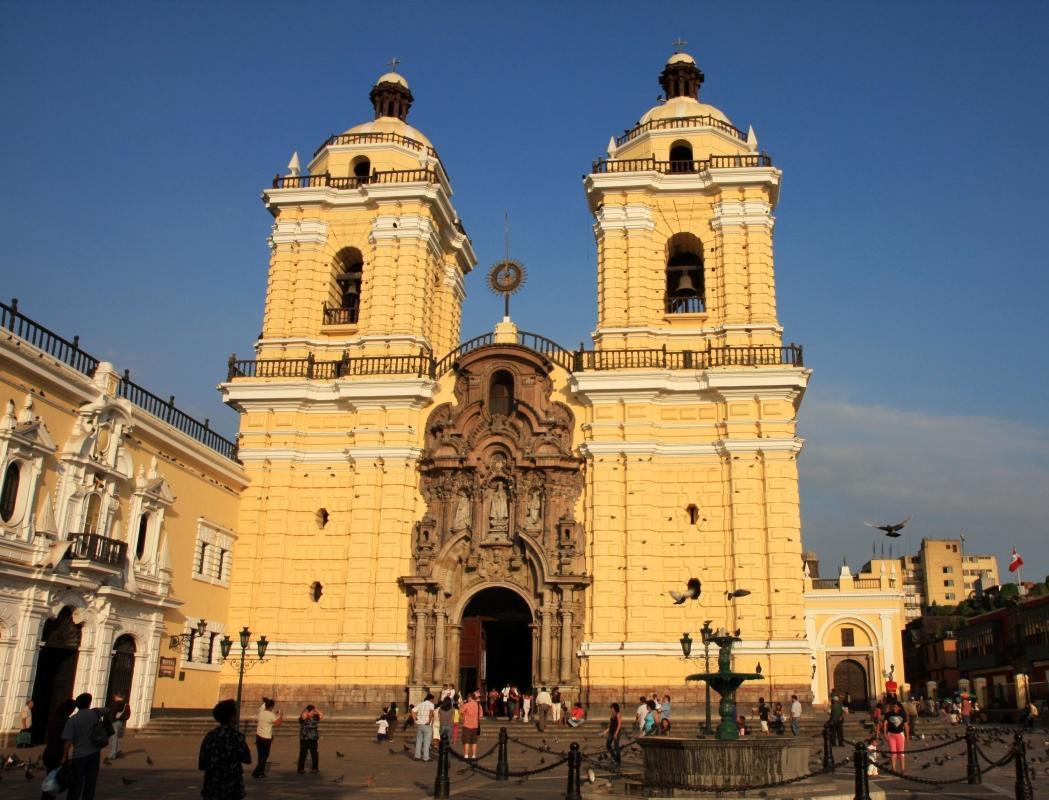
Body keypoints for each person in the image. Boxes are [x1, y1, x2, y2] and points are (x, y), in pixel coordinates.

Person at [199, 699, 251, 800]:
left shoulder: (210, 736)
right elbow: (247, 759)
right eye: (236, 713)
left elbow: (202, 764)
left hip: (212, 789)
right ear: (231, 717)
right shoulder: (237, 736)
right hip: (231, 790)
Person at [62, 693, 109, 800]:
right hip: (94, 753)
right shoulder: (94, 714)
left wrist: (64, 756)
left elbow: (68, 740)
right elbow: (107, 709)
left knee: (76, 782)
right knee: (90, 782)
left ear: (77, 705)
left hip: (79, 754)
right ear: (89, 703)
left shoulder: (73, 719)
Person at [40, 699, 76, 800]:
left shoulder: (53, 718)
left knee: (50, 778)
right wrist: (64, 756)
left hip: (48, 752)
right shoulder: (66, 721)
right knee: (54, 781)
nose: (72, 711)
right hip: (57, 754)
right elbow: (66, 740)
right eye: (72, 709)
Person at [252, 697, 282, 778]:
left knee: (260, 755)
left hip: (258, 736)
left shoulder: (261, 712)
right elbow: (278, 723)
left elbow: (264, 708)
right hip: (266, 737)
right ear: (272, 706)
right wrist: (280, 715)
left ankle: (261, 772)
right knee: (264, 756)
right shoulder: (271, 715)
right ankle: (256, 772)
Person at [880, 699, 909, 774]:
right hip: (891, 735)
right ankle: (894, 768)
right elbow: (885, 724)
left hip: (900, 735)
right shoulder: (888, 714)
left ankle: (902, 768)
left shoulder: (903, 714)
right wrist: (885, 733)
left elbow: (906, 725)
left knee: (901, 752)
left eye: (896, 707)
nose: (894, 708)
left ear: (899, 707)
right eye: (894, 707)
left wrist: (907, 736)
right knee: (893, 753)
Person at [297, 704, 322, 774]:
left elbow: (321, 715)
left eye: (313, 712)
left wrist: (316, 709)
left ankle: (315, 768)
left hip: (313, 738)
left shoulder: (315, 717)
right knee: (303, 753)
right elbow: (303, 717)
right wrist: (306, 712)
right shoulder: (304, 716)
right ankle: (300, 769)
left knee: (314, 754)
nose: (313, 713)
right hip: (304, 738)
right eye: (312, 711)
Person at [107, 692, 131, 760]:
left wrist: (109, 721)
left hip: (114, 722)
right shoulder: (125, 704)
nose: (114, 698)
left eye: (115, 696)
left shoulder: (116, 704)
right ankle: (118, 750)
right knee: (115, 737)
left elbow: (112, 713)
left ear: (117, 696)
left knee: (113, 738)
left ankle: (112, 755)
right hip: (121, 722)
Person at [412, 693, 435, 762]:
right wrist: (429, 721)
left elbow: (413, 711)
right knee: (427, 742)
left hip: (420, 725)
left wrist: (415, 720)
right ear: (431, 699)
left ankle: (417, 756)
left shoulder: (420, 704)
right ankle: (426, 757)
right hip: (427, 725)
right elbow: (431, 713)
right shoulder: (431, 704)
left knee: (419, 741)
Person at [460, 691, 482, 760]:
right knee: (474, 742)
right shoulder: (478, 705)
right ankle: (473, 755)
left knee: (467, 741)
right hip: (475, 726)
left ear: (469, 697)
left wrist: (462, 704)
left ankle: (466, 755)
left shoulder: (467, 705)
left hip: (467, 725)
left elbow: (460, 711)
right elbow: (480, 715)